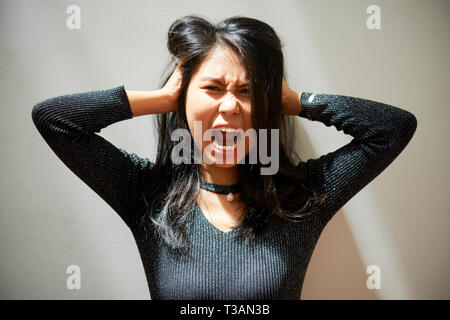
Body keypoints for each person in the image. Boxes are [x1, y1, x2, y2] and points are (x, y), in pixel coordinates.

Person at [31, 15, 417, 299]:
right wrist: (164, 99)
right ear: (185, 96)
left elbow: (392, 129)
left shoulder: (301, 197)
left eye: (248, 92)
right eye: (213, 87)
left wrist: (295, 101)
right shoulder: (146, 192)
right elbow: (55, 120)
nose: (230, 105)